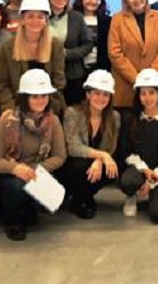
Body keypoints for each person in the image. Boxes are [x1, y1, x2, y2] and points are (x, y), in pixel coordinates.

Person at [0, 69, 66, 240]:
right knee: (16, 186)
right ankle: (13, 223)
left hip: (37, 173)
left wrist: (35, 169)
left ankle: (27, 209)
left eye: (44, 96)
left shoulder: (53, 121)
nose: (41, 100)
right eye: (35, 96)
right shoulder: (7, 119)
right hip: (10, 176)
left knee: (47, 202)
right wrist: (15, 168)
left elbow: (60, 156)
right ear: (25, 98)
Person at [119, 68, 158, 224]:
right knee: (128, 181)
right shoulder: (131, 119)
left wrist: (152, 181)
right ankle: (132, 195)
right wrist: (145, 171)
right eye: (143, 93)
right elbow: (128, 152)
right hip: (139, 170)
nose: (147, 98)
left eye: (152, 93)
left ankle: (156, 195)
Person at [61, 70, 121, 219]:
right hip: (74, 163)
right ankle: (81, 199)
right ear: (88, 94)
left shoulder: (115, 117)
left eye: (106, 94)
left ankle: (83, 197)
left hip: (96, 162)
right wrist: (102, 155)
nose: (101, 98)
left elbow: (110, 147)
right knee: (79, 165)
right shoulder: (72, 113)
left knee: (113, 167)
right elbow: (73, 147)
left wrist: (99, 159)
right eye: (96, 93)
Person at [0, 0, 66, 112]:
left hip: (48, 107)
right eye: (30, 16)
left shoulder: (55, 45)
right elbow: (2, 84)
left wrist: (49, 110)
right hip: (16, 108)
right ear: (22, 20)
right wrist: (11, 109)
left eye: (40, 17)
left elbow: (59, 82)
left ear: (46, 21)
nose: (35, 21)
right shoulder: (7, 47)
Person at [108, 0, 158, 111]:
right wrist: (137, 79)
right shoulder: (117, 19)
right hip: (126, 85)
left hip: (152, 85)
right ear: (126, 1)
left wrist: (150, 76)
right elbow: (115, 53)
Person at [44, 0, 94, 107]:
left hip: (73, 76)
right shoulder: (41, 17)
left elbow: (88, 44)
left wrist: (66, 53)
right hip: (47, 74)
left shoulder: (76, 17)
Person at [72, 0, 112, 75]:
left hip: (101, 71)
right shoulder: (72, 19)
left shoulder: (107, 21)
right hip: (76, 72)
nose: (93, 1)